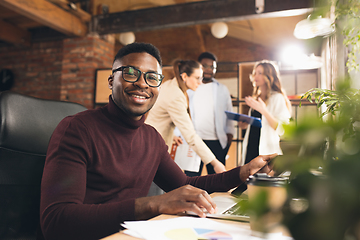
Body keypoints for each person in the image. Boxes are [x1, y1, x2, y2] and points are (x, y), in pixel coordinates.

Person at [39, 42, 275, 240]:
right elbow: (56, 221)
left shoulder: (151, 138)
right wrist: (153, 204)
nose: (143, 83)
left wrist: (242, 173)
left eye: (152, 78)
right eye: (131, 73)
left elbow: (185, 183)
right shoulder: (77, 129)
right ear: (111, 81)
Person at [146, 59, 226, 174]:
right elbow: (190, 136)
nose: (200, 82)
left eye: (201, 78)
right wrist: (215, 162)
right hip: (152, 149)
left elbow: (158, 116)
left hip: (150, 141)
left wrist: (172, 135)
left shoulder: (170, 85)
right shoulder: (176, 96)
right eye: (197, 78)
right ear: (184, 76)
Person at [185, 52, 235, 176]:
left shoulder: (222, 89)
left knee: (217, 182)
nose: (208, 69)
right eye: (204, 65)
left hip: (217, 142)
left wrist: (229, 137)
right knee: (191, 180)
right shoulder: (190, 88)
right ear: (198, 67)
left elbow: (229, 114)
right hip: (194, 141)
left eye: (212, 67)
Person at [240, 60, 291, 165]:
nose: (256, 76)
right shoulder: (257, 98)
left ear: (269, 76)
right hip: (251, 147)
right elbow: (258, 124)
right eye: (255, 73)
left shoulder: (277, 98)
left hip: (266, 150)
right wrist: (246, 124)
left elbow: (282, 129)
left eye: (260, 73)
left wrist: (263, 110)